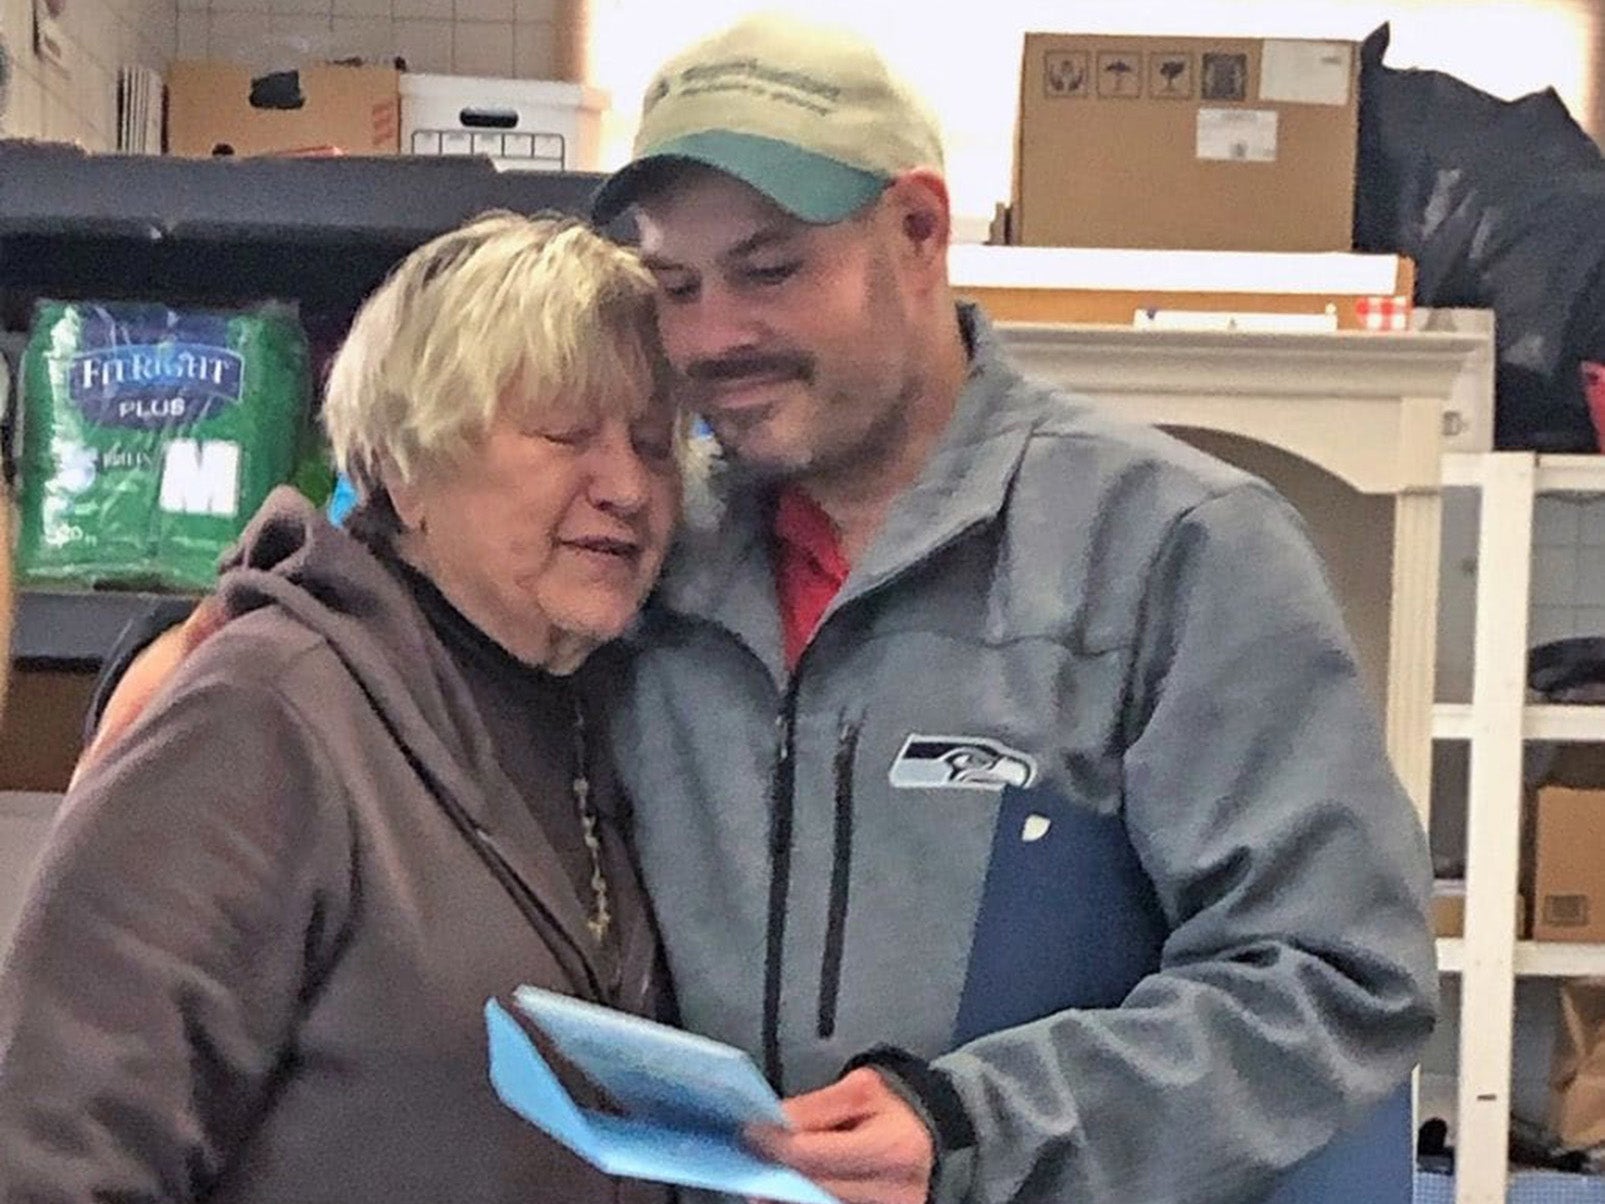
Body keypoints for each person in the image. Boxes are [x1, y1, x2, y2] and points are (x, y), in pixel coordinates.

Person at [81, 14, 1439, 1204]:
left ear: (917, 232)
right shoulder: (654, 554)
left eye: (772, 268)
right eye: (673, 285)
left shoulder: (1169, 556)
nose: (715, 332)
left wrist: (977, 1124)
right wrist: (194, 651)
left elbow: (1336, 980)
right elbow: (412, 549)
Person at [0, 213, 683, 1203]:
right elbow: (55, 1148)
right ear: (405, 467)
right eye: (566, 434)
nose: (625, 485)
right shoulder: (263, 718)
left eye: (655, 443)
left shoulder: (591, 722)